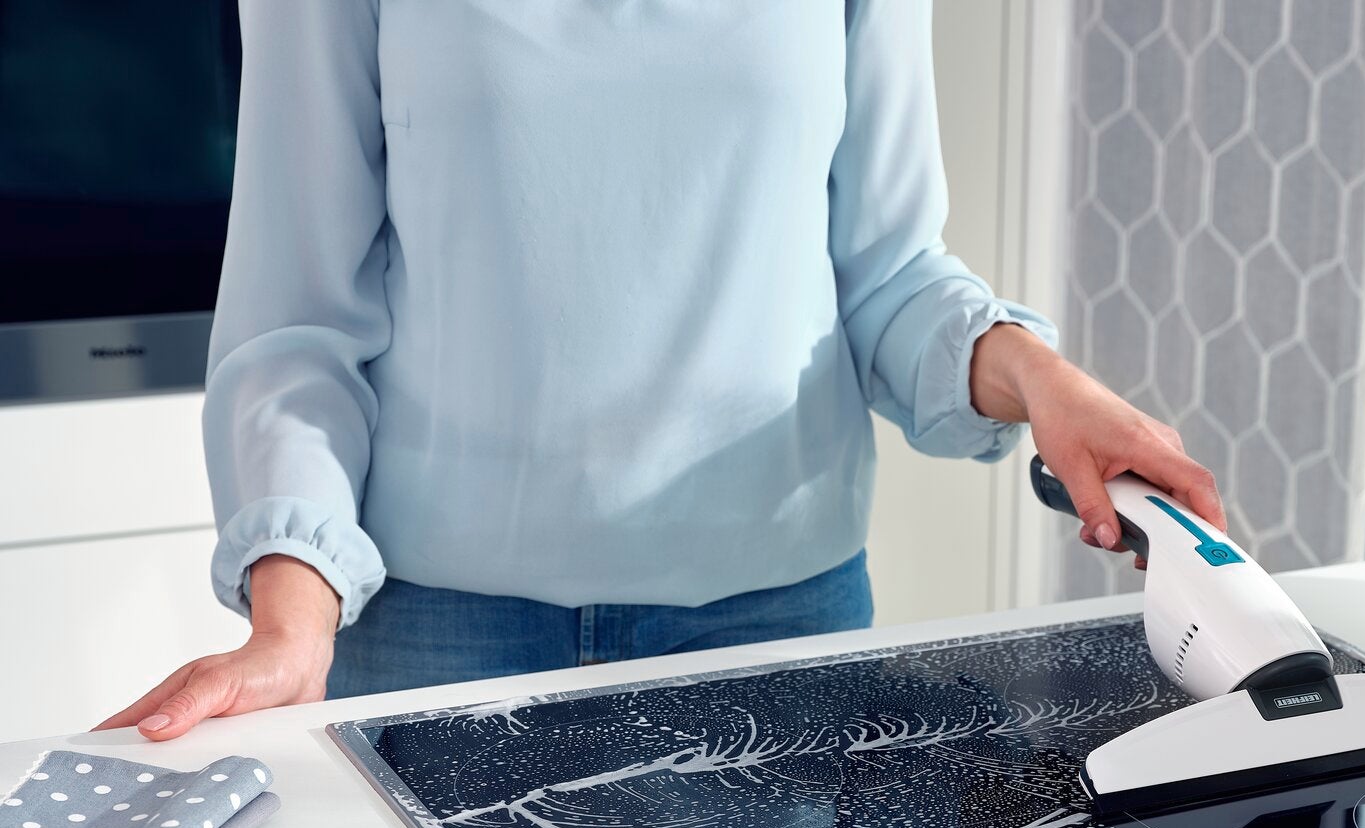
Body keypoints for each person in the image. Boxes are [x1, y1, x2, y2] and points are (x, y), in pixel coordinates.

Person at [100, 0, 1221, 741]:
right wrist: (292, 625)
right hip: (438, 638)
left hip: (773, 631)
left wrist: (1041, 378)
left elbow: (886, 275)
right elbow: (297, 318)